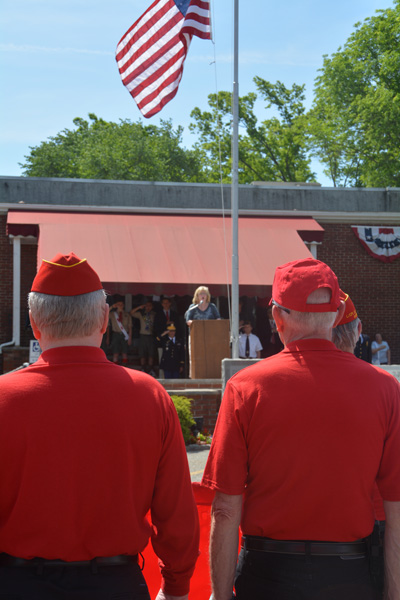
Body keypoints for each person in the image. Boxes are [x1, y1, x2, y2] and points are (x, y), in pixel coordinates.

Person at [0, 252, 199, 600]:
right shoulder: (149, 396)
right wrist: (177, 586)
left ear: (33, 322)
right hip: (115, 583)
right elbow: (176, 511)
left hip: (16, 583)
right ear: (105, 319)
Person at [202, 257, 400, 600]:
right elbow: (396, 507)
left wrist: (219, 596)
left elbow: (225, 506)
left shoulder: (245, 387)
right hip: (349, 573)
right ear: (338, 315)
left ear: (278, 317)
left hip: (268, 574)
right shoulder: (384, 388)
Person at [332, 290, 386, 598]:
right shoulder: (384, 388)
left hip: (290, 543)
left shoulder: (262, 385)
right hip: (371, 528)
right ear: (359, 331)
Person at [131, 300, 157, 375]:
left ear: (152, 307)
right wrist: (139, 307)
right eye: (147, 305)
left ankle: (151, 369)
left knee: (151, 353)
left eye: (150, 306)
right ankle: (143, 368)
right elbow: (131, 313)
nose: (148, 307)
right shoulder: (141, 314)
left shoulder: (154, 314)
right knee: (142, 352)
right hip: (143, 335)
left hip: (151, 335)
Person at [107, 294, 132, 365]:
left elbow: (130, 327)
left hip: (125, 335)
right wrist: (112, 307)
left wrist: (130, 338)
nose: (120, 306)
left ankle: (125, 368)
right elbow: (105, 312)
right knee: (115, 353)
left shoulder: (127, 314)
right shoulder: (112, 314)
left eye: (121, 304)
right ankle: (115, 369)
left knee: (125, 353)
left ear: (123, 305)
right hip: (116, 335)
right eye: (118, 304)